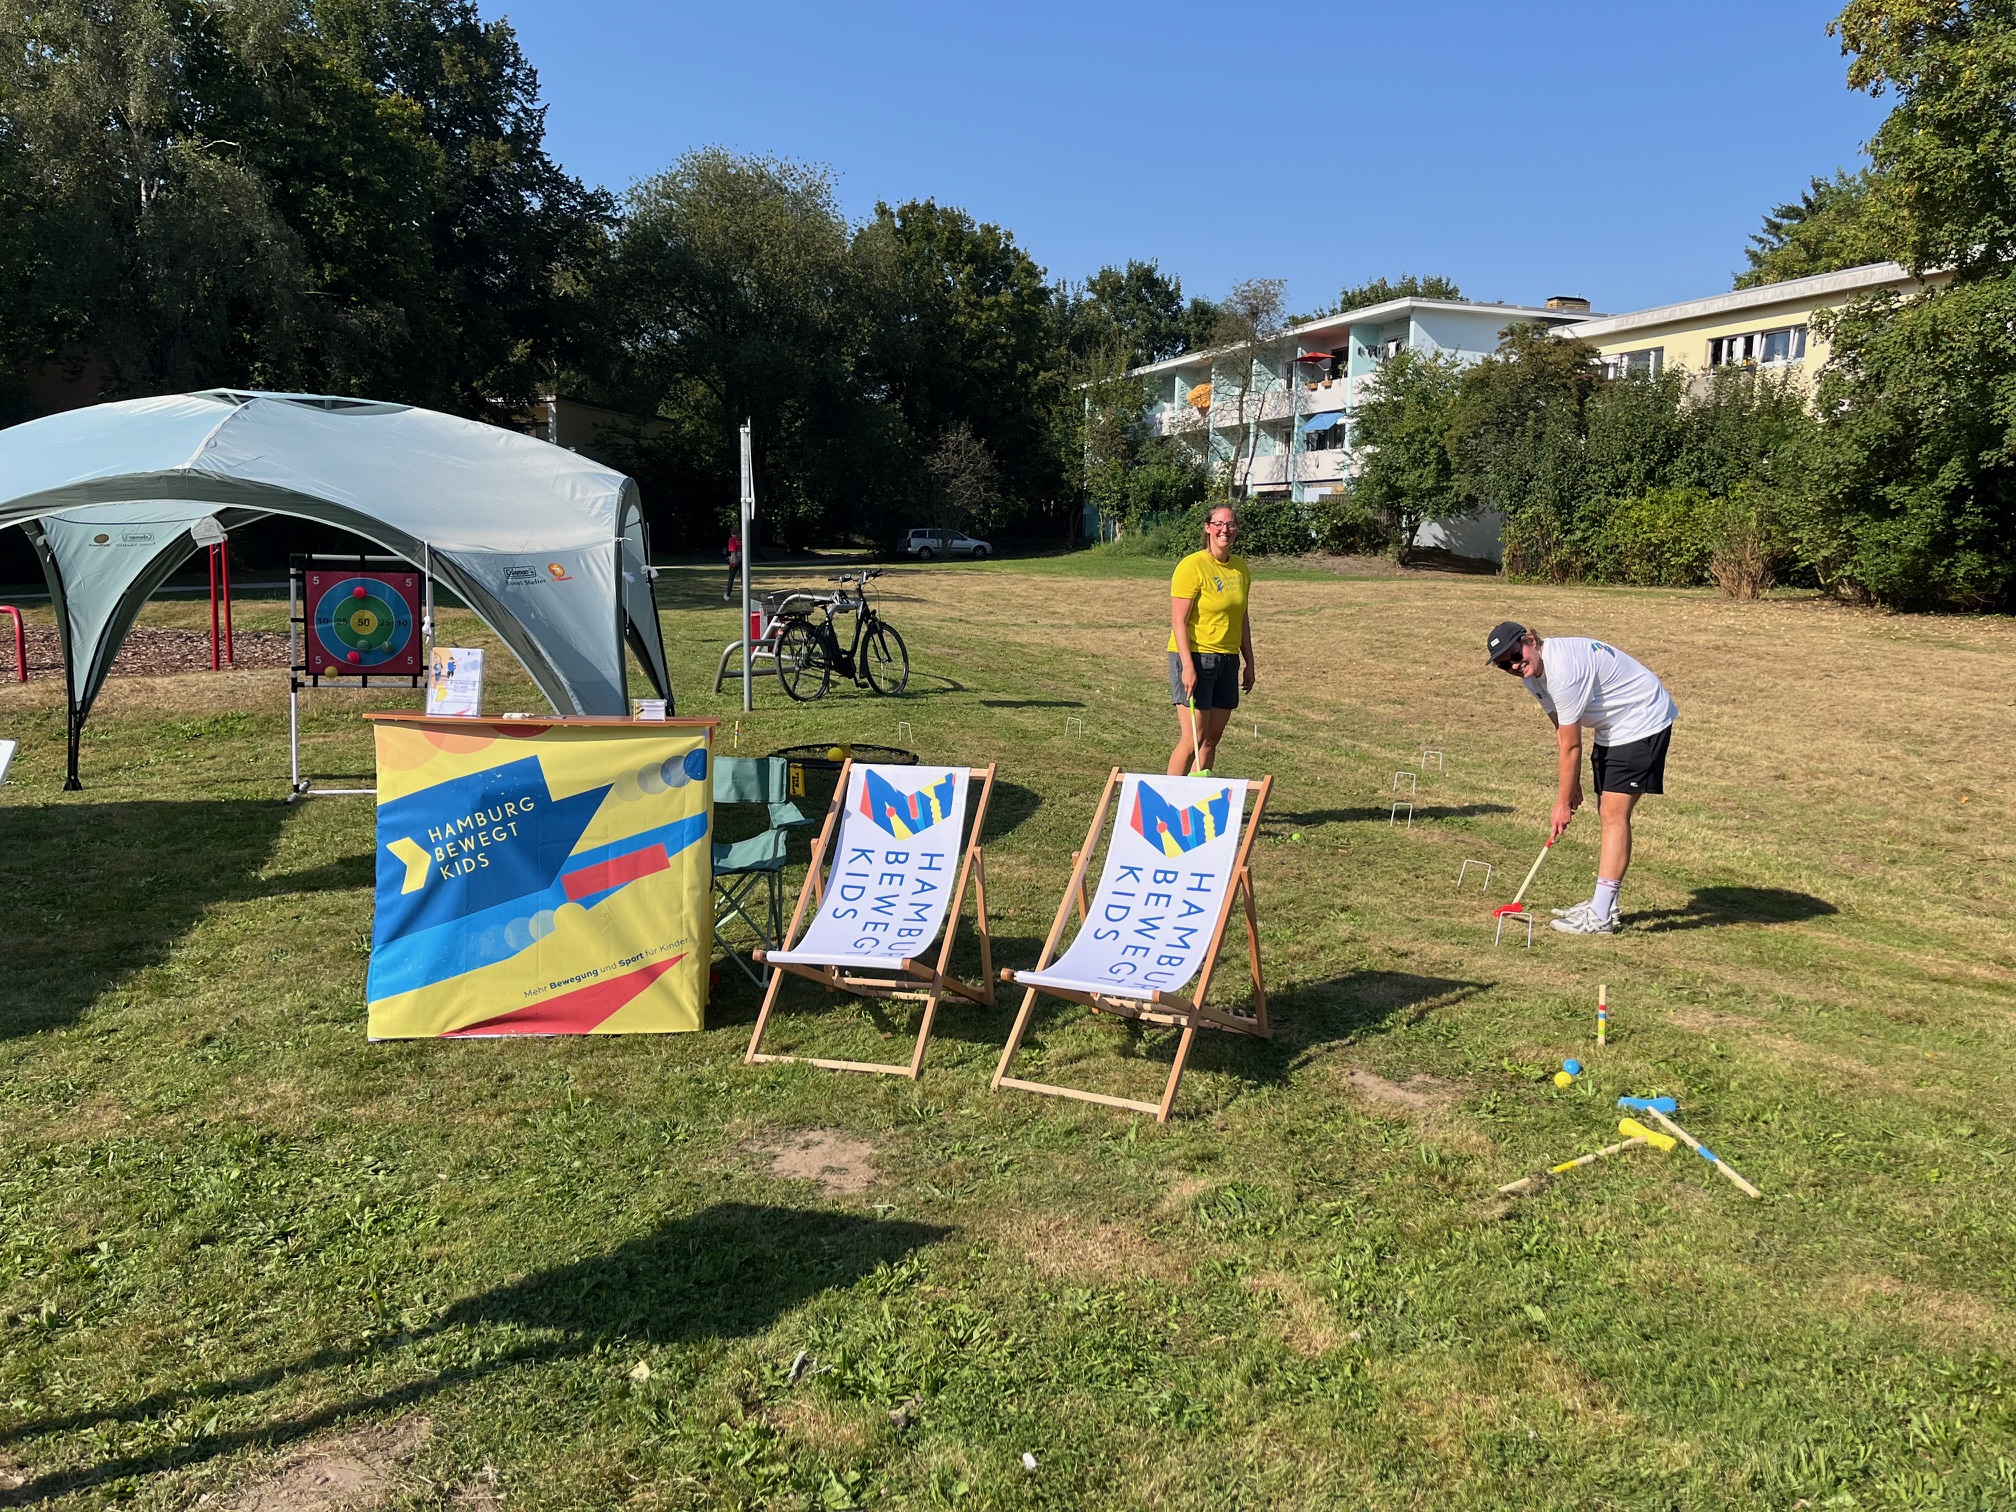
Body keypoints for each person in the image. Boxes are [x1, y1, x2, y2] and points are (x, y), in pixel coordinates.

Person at [1485, 621, 1678, 935]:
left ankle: (1601, 915)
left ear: (1531, 640)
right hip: (1613, 725)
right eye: (1504, 664)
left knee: (1614, 814)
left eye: (1516, 655)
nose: (1514, 665)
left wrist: (1561, 803)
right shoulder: (1533, 677)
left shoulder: (1562, 672)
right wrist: (1571, 785)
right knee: (1608, 812)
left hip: (1642, 717)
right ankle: (1605, 905)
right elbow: (1563, 734)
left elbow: (1574, 745)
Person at [1167, 504, 1257, 776]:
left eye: (1230, 524)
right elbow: (1178, 621)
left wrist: (1249, 662)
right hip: (1195, 656)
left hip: (1227, 659)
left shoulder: (1240, 568)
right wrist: (1188, 666)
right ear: (1208, 527)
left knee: (1212, 738)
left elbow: (1241, 617)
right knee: (1193, 737)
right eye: (1218, 524)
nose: (1224, 530)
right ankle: (1168, 801)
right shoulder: (1192, 566)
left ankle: (1195, 800)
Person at [723, 528, 742, 601]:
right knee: (743, 577)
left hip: (734, 561)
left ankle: (728, 595)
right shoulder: (740, 539)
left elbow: (732, 550)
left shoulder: (731, 540)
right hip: (741, 560)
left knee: (731, 578)